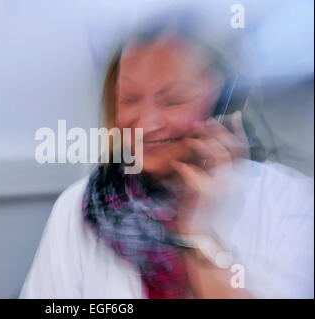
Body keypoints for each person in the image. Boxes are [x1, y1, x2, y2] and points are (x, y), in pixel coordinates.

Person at [20, 23, 314, 299]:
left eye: (173, 100)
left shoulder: (290, 201)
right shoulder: (79, 205)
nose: (146, 125)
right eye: (130, 99)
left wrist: (197, 234)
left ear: (227, 103)